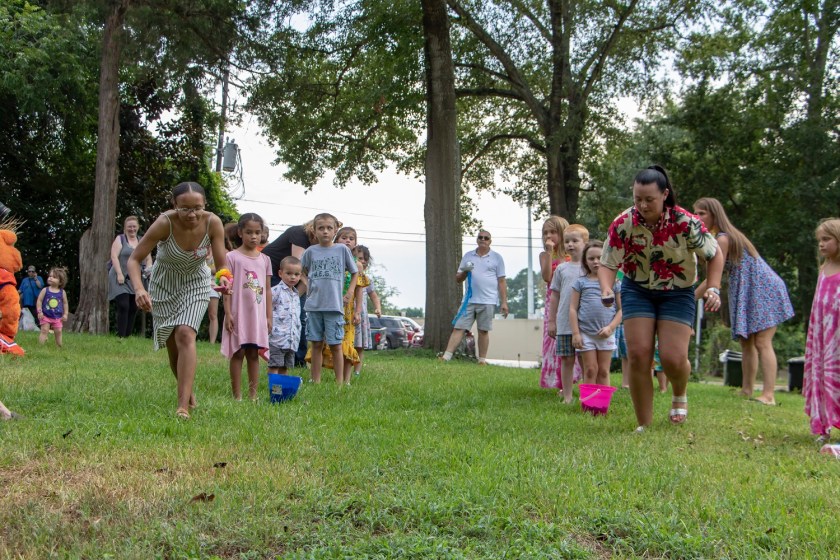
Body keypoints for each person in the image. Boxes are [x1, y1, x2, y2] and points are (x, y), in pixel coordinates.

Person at [599, 166, 723, 432]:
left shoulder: (685, 222)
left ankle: (679, 393)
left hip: (678, 292)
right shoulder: (623, 223)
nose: (642, 205)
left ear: (665, 194)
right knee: (639, 352)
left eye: (649, 199)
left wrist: (713, 287)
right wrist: (607, 288)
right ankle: (643, 423)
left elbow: (714, 254)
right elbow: (608, 263)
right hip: (637, 289)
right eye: (637, 199)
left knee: (672, 357)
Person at [127, 181, 229, 420]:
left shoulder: (213, 222)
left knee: (185, 333)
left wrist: (224, 279)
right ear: (175, 205)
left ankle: (182, 406)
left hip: (196, 282)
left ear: (205, 205)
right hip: (164, 284)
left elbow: (222, 264)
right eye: (185, 209)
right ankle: (188, 392)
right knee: (172, 346)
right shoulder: (165, 223)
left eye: (198, 208)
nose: (192, 214)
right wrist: (139, 289)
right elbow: (134, 259)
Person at [693, 197, 794, 405]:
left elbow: (714, 276)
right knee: (746, 341)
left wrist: (688, 298)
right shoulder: (719, 238)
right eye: (695, 213)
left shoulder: (724, 238)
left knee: (762, 342)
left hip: (763, 289)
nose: (697, 217)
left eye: (702, 213)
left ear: (714, 214)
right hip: (748, 290)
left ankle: (769, 395)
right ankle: (747, 390)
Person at [300, 213, 358, 384]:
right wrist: (307, 284)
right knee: (316, 344)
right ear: (314, 230)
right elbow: (300, 270)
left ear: (335, 231)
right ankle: (315, 380)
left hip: (334, 305)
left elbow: (355, 272)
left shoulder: (342, 250)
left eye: (329, 228)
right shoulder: (310, 252)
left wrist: (349, 292)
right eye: (321, 228)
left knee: (336, 345)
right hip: (314, 305)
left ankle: (339, 383)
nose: (325, 232)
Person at [221, 213, 272, 401]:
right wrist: (228, 313)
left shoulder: (265, 260)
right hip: (237, 312)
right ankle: (237, 396)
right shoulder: (231, 257)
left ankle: (253, 395)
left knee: (253, 353)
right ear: (240, 232)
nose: (253, 236)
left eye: (257, 232)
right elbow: (226, 288)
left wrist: (268, 316)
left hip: (257, 315)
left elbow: (267, 290)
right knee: (238, 352)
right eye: (249, 232)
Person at [438, 230, 508, 365]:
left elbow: (501, 281)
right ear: (477, 240)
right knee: (459, 328)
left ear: (490, 241)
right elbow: (458, 278)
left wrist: (504, 302)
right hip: (468, 300)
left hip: (488, 300)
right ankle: (446, 357)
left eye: (486, 238)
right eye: (480, 237)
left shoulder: (497, 258)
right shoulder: (468, 256)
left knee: (483, 330)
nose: (483, 239)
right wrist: (465, 270)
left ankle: (482, 360)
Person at [804, 218, 840, 444]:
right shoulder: (823, 268)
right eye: (819, 240)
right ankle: (823, 427)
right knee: (822, 377)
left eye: (826, 239)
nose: (821, 244)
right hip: (822, 336)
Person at [262, 220, 318, 365]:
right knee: (280, 313)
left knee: (299, 316)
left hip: (295, 276)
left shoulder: (318, 245)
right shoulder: (299, 233)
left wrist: (297, 293)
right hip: (274, 273)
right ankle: (274, 351)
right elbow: (298, 263)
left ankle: (297, 359)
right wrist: (303, 281)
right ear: (313, 230)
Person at [569, 241, 622, 386]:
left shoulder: (615, 283)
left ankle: (602, 405)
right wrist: (576, 333)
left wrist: (610, 328)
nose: (596, 261)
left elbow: (621, 310)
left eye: (599, 257)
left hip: (606, 334)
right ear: (585, 262)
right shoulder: (580, 283)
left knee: (604, 371)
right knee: (590, 370)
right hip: (586, 334)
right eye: (591, 259)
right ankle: (589, 405)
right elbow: (573, 309)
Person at [547, 224, 588, 403]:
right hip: (564, 322)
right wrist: (552, 321)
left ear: (585, 243)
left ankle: (588, 394)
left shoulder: (591, 268)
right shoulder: (561, 269)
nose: (570, 245)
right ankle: (567, 395)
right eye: (567, 242)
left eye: (575, 241)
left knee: (586, 361)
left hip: (585, 323)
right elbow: (554, 296)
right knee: (567, 359)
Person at [108, 216, 153, 339]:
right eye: (129, 227)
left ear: (138, 227)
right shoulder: (120, 239)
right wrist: (119, 273)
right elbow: (114, 257)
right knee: (123, 305)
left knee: (134, 307)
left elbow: (148, 258)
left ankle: (127, 336)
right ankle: (121, 335)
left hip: (136, 279)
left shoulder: (142, 240)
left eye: (134, 226)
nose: (132, 229)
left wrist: (149, 270)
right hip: (120, 277)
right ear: (125, 228)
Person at [539, 216, 569, 389]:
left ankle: (571, 380)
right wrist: (550, 254)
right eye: (545, 233)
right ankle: (555, 381)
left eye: (553, 232)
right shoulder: (544, 255)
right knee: (553, 341)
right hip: (553, 302)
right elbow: (547, 277)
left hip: (570, 301)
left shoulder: (571, 256)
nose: (548, 236)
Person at [268, 256, 303, 376]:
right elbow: (265, 309)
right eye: (289, 273)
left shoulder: (296, 294)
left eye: (296, 274)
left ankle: (282, 389)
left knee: (285, 367)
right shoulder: (275, 291)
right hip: (277, 338)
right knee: (274, 365)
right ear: (280, 273)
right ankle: (273, 387)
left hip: (291, 340)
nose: (293, 277)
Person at [352, 245, 382, 375]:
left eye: (365, 259)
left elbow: (374, 295)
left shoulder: (367, 279)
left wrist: (378, 308)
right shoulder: (346, 276)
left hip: (361, 316)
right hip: (348, 314)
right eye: (359, 258)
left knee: (359, 345)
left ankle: (357, 371)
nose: (362, 261)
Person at [36, 267, 69, 347]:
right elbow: (39, 301)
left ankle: (59, 346)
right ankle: (40, 346)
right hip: (45, 315)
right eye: (50, 276)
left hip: (58, 316)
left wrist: (65, 314)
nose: (50, 278)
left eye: (54, 277)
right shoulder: (45, 290)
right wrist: (39, 312)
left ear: (60, 282)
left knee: (58, 331)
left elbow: (65, 303)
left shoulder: (62, 292)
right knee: (44, 330)